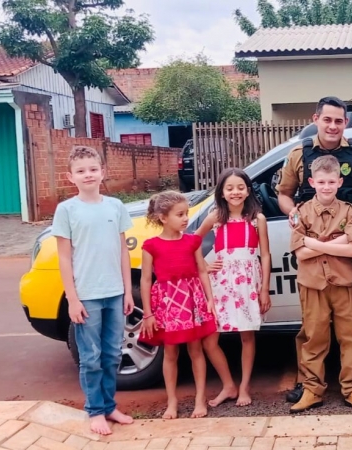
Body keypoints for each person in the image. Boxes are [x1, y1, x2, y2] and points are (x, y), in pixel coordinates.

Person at [276, 95, 352, 403]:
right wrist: (293, 213)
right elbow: (284, 194)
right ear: (316, 119)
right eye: (327, 119)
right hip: (314, 253)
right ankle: (309, 384)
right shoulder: (299, 155)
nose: (333, 126)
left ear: (345, 122)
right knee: (313, 329)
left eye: (339, 120)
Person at [52, 145, 135, 435]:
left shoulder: (115, 206)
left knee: (112, 354)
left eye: (93, 169)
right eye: (81, 171)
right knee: (91, 357)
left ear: (103, 172)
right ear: (70, 177)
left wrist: (127, 291)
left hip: (114, 293)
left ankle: (110, 406)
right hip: (86, 294)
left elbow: (123, 251)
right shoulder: (67, 210)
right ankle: (95, 410)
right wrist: (72, 299)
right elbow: (64, 257)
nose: (88, 175)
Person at [288, 154, 352, 414]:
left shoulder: (350, 210)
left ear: (339, 181)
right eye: (321, 181)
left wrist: (314, 243)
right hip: (312, 284)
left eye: (331, 182)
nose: (326, 186)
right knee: (314, 338)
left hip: (345, 283)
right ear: (312, 181)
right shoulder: (300, 212)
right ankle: (312, 389)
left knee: (351, 337)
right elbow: (299, 254)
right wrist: (336, 243)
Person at [195, 168, 272, 408]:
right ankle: (228, 385)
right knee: (210, 340)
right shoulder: (216, 217)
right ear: (222, 192)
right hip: (221, 284)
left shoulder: (257, 219)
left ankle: (244, 386)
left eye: (240, 187)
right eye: (229, 188)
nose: (235, 192)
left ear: (248, 190)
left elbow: (266, 255)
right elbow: (193, 242)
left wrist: (264, 289)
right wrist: (205, 264)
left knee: (247, 336)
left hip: (248, 283)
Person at [139, 191, 217, 419]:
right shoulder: (151, 246)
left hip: (192, 302)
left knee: (196, 350)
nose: (185, 219)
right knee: (170, 352)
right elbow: (145, 280)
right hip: (168, 304)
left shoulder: (192, 241)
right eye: (180, 214)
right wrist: (147, 313)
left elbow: (202, 271)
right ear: (163, 218)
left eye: (187, 214)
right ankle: (171, 401)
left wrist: (209, 299)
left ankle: (199, 399)